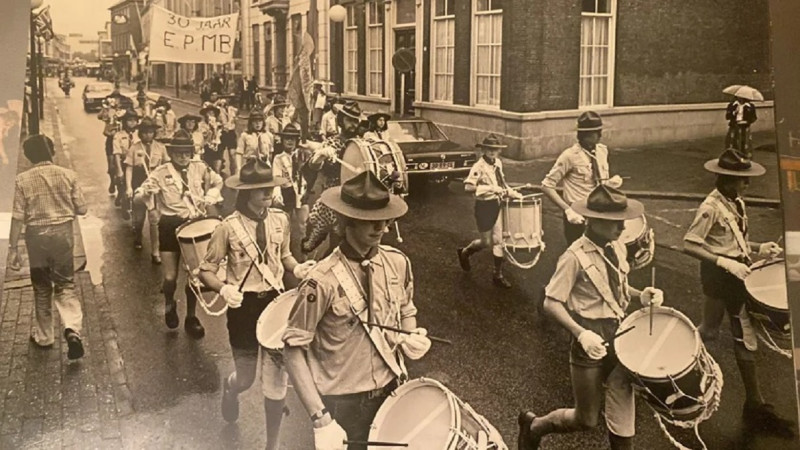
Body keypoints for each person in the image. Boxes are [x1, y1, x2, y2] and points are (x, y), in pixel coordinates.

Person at [284, 170, 431, 450]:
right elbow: (293, 351)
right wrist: (320, 419)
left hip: (391, 391)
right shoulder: (320, 281)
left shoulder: (398, 263)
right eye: (370, 222)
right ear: (345, 223)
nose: (382, 228)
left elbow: (405, 310)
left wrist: (410, 336)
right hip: (343, 405)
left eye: (384, 219)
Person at [518, 184, 664, 450]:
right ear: (594, 222)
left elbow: (615, 287)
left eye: (622, 222)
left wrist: (640, 294)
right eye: (614, 223)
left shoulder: (617, 247)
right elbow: (552, 302)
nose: (622, 229)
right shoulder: (573, 257)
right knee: (586, 419)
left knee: (622, 410)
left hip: (620, 336)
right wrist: (580, 334)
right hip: (588, 339)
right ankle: (534, 425)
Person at [198, 159, 315, 449]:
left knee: (277, 380)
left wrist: (297, 269)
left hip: (275, 305)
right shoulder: (228, 228)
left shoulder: (280, 219)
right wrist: (224, 288)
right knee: (247, 379)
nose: (268, 193)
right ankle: (231, 387)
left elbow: (285, 256)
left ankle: (271, 445)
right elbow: (205, 270)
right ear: (246, 193)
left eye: (270, 188)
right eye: (260, 189)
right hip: (243, 308)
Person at [682, 148, 794, 437]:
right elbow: (690, 244)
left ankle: (755, 403)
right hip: (719, 275)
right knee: (708, 332)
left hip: (738, 273)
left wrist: (759, 248)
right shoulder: (710, 207)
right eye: (742, 179)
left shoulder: (736, 201)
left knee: (744, 334)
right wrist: (725, 262)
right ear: (727, 179)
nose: (747, 184)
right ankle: (673, 363)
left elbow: (736, 239)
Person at [133, 130, 224, 337]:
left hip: (195, 225)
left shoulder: (200, 168)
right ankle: (169, 302)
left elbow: (218, 181)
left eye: (187, 153)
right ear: (171, 153)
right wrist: (146, 197)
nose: (183, 157)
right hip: (170, 226)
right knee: (170, 277)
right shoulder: (160, 172)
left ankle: (191, 317)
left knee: (194, 276)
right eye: (179, 153)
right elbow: (139, 196)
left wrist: (211, 195)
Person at [7, 135, 88, 360]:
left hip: (36, 238)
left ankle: (45, 337)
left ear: (28, 156)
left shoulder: (21, 180)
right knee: (65, 284)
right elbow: (82, 209)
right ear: (52, 152)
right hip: (63, 235)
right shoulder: (69, 175)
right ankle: (72, 329)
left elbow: (17, 217)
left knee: (42, 286)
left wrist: (13, 248)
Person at [541, 111, 624, 245]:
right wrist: (568, 210)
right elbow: (546, 186)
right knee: (579, 256)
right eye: (596, 132)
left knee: (599, 254)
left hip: (598, 212)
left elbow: (597, 181)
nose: (600, 135)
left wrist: (609, 183)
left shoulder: (602, 151)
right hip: (578, 215)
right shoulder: (569, 156)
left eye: (600, 131)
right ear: (584, 135)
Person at [456, 134, 522, 288]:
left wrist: (511, 193)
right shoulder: (478, 166)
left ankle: (497, 275)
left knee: (499, 241)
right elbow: (468, 187)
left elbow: (502, 183)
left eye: (495, 149)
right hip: (483, 207)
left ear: (499, 151)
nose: (492, 152)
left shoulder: (498, 163)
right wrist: (491, 188)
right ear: (483, 150)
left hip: (497, 204)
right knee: (486, 242)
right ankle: (465, 252)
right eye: (489, 149)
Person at [301, 101, 363, 256]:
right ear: (341, 121)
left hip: (357, 198)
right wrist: (320, 156)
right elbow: (312, 167)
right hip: (335, 198)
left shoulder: (362, 144)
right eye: (349, 120)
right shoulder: (332, 142)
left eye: (356, 121)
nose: (353, 125)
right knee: (323, 242)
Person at [125, 117, 169, 264]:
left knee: (154, 219)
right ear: (140, 133)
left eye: (150, 132)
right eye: (144, 133)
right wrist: (129, 187)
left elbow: (166, 166)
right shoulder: (134, 147)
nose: (147, 135)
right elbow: (129, 168)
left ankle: (155, 252)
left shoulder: (160, 148)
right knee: (138, 219)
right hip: (140, 183)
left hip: (155, 185)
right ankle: (138, 236)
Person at [112, 109, 141, 220]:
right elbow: (117, 153)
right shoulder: (119, 135)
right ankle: (125, 205)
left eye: (134, 120)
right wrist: (119, 170)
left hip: (136, 164)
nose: (132, 123)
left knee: (135, 186)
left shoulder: (139, 134)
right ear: (125, 122)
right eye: (129, 120)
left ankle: (135, 207)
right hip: (124, 163)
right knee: (123, 186)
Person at [271, 123, 302, 215]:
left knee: (302, 221)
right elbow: (276, 177)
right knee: (286, 217)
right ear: (282, 140)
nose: (290, 141)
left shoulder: (301, 155)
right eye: (287, 138)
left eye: (293, 139)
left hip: (300, 190)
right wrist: (277, 193)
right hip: (286, 191)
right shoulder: (278, 158)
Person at [235, 110, 275, 175]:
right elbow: (239, 153)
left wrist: (269, 165)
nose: (258, 123)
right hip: (249, 166)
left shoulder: (269, 135)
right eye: (255, 121)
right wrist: (239, 168)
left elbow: (270, 153)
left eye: (260, 121)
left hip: (265, 165)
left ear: (263, 122)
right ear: (251, 123)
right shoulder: (245, 136)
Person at [99, 97, 123, 196]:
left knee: (122, 165)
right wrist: (106, 108)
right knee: (111, 166)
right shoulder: (109, 113)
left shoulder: (124, 114)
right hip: (111, 141)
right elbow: (100, 118)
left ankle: (121, 187)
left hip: (123, 142)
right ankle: (112, 181)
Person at [215, 96, 239, 176]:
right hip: (221, 133)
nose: (224, 101)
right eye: (223, 99)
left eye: (227, 99)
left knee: (232, 155)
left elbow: (236, 115)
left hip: (231, 133)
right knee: (219, 155)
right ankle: (218, 175)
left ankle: (233, 175)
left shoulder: (232, 109)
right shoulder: (217, 109)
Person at [199, 102, 224, 175]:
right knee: (208, 168)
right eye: (209, 113)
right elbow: (203, 138)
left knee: (217, 167)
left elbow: (220, 136)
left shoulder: (218, 124)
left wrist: (217, 129)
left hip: (217, 146)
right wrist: (210, 130)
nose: (211, 115)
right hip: (206, 147)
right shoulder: (201, 125)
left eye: (212, 113)